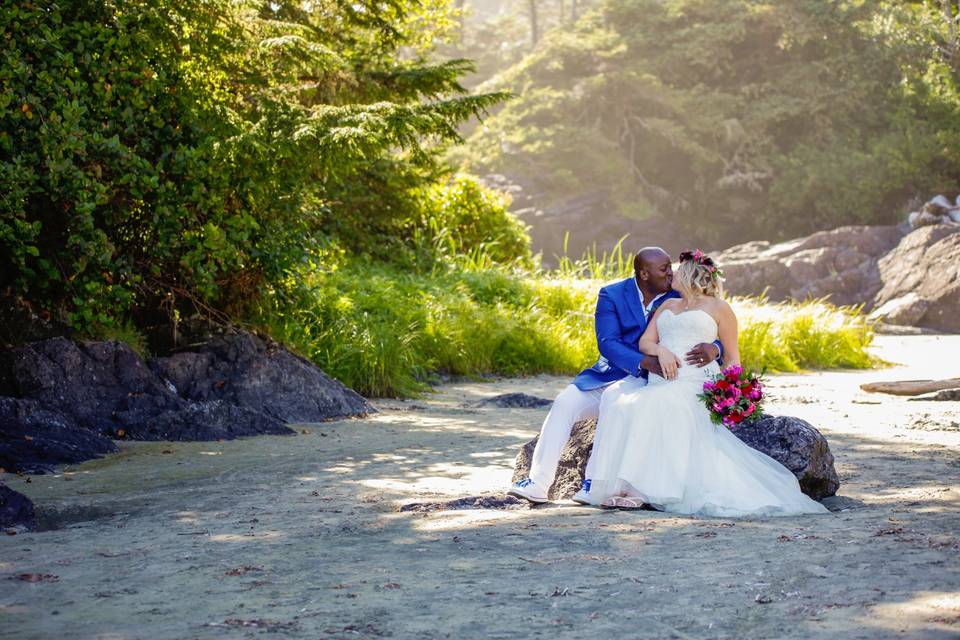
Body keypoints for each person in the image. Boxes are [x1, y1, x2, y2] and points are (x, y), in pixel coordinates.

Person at [585, 250, 828, 516]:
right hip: (660, 382)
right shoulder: (667, 306)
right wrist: (660, 351)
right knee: (623, 405)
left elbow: (733, 357)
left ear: (689, 275)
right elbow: (645, 342)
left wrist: (730, 392)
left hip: (694, 384)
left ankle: (637, 491)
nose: (672, 274)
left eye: (677, 270)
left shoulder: (719, 308)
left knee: (655, 406)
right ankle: (617, 486)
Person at [508, 247, 723, 504]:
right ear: (644, 274)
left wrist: (716, 349)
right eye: (664, 268)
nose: (671, 273)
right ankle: (538, 484)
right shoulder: (612, 294)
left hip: (652, 381)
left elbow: (709, 327)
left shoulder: (677, 293)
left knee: (614, 401)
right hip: (612, 372)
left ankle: (593, 483)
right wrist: (646, 361)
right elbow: (608, 343)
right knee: (565, 403)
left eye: (671, 267)